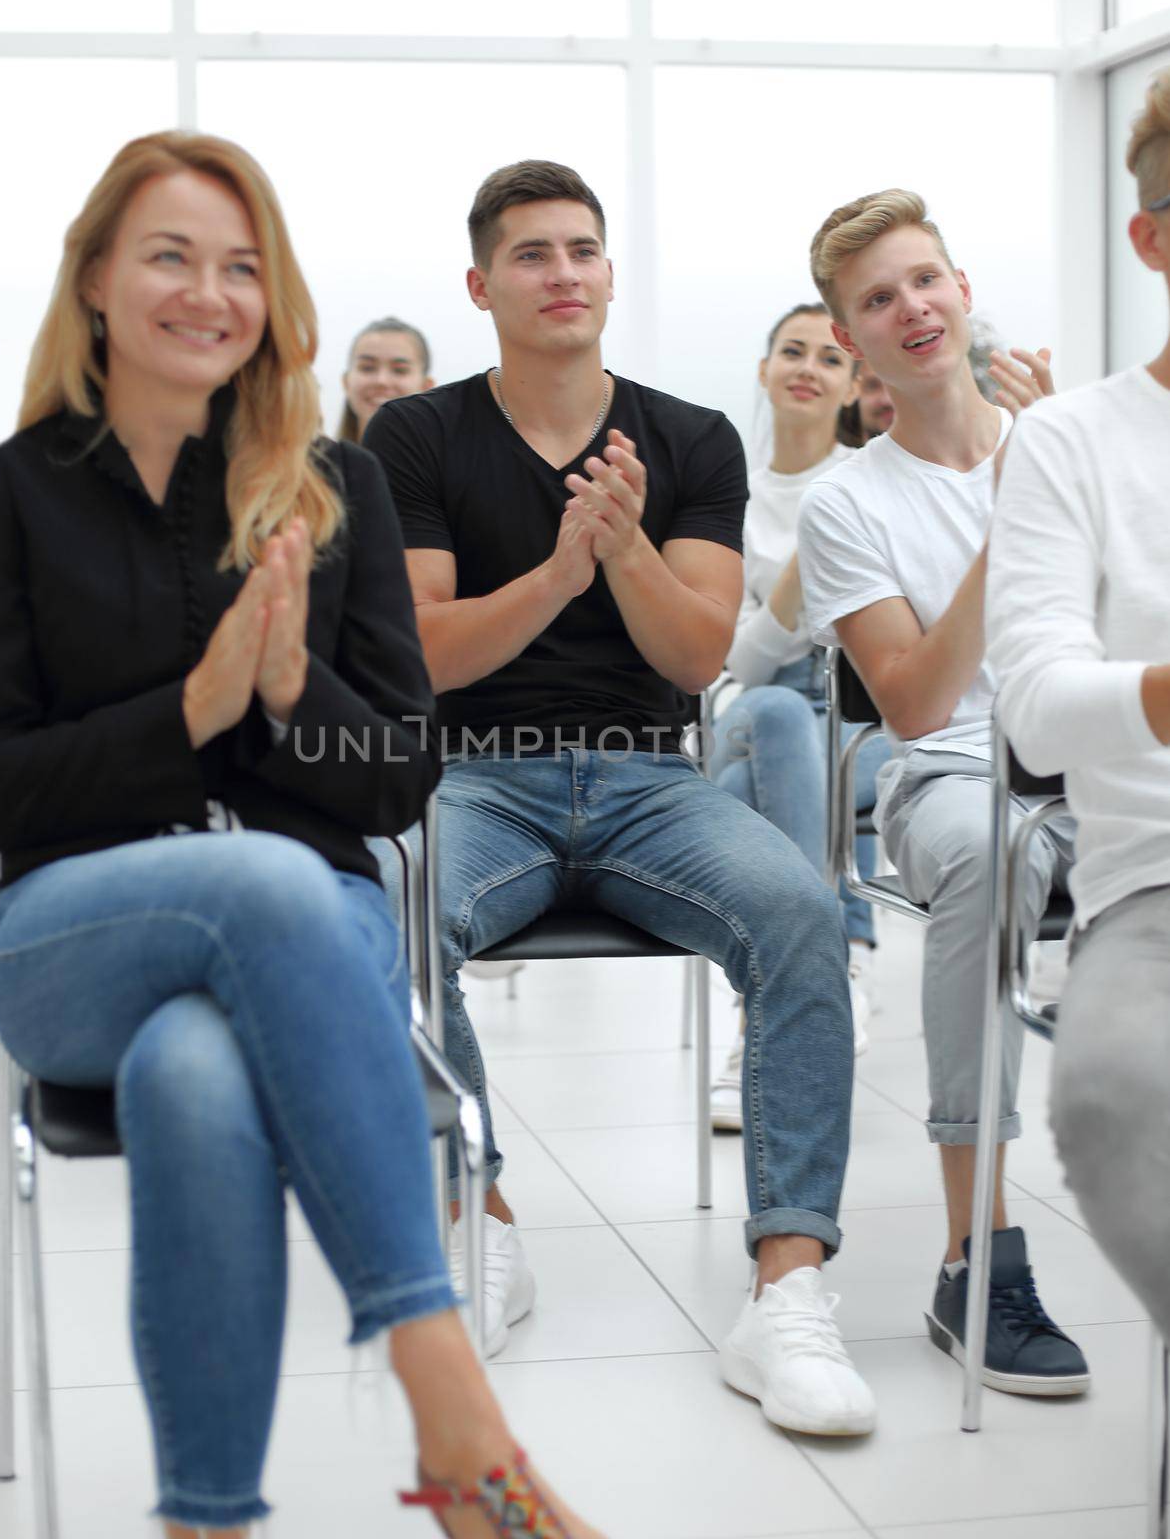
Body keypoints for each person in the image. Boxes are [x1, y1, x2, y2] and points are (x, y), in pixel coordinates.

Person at [0, 131, 603, 1539]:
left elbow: (401, 777)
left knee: (195, 1073)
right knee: (258, 879)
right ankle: (457, 1420)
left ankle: (203, 1522)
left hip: (318, 925)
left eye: (241, 267)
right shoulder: (6, 492)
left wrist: (294, 699)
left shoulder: (337, 488)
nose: (207, 293)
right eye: (170, 256)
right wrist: (192, 711)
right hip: (75, 938)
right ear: (98, 277)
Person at [366, 158, 876, 1435]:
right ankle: (477, 1220)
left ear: (608, 274)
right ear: (482, 284)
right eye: (532, 254)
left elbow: (698, 655)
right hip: (478, 773)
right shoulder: (415, 436)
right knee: (382, 908)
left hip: (654, 779)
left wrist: (627, 542)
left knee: (801, 915)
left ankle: (788, 1290)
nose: (563, 273)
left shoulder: (688, 436)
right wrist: (554, 571)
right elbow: (425, 656)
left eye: (582, 250)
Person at [797, 187, 1090, 1397]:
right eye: (875, 300)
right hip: (952, 773)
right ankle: (978, 1257)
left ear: (962, 292)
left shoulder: (1075, 434)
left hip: (1105, 748)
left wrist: (1055, 464)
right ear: (850, 342)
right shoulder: (845, 504)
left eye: (924, 280)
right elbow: (912, 700)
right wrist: (1016, 504)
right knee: (983, 842)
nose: (908, 308)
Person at [987, 67, 1170, 1342]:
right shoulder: (1071, 441)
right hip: (1153, 883)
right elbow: (1039, 712)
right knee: (1108, 1092)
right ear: (1150, 238)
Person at [708, 302, 888, 1139]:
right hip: (758, 708)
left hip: (866, 719)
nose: (808, 368)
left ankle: (760, 1016)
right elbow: (736, 669)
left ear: (855, 383)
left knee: (773, 764)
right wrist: (796, 585)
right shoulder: (726, 499)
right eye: (791, 351)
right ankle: (835, 952)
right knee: (778, 712)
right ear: (764, 368)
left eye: (829, 357)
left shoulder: (876, 481)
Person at [337, 316, 434, 443]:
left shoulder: (452, 461)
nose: (381, 381)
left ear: (427, 387)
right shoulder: (311, 461)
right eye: (367, 368)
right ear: (346, 382)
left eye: (399, 370)